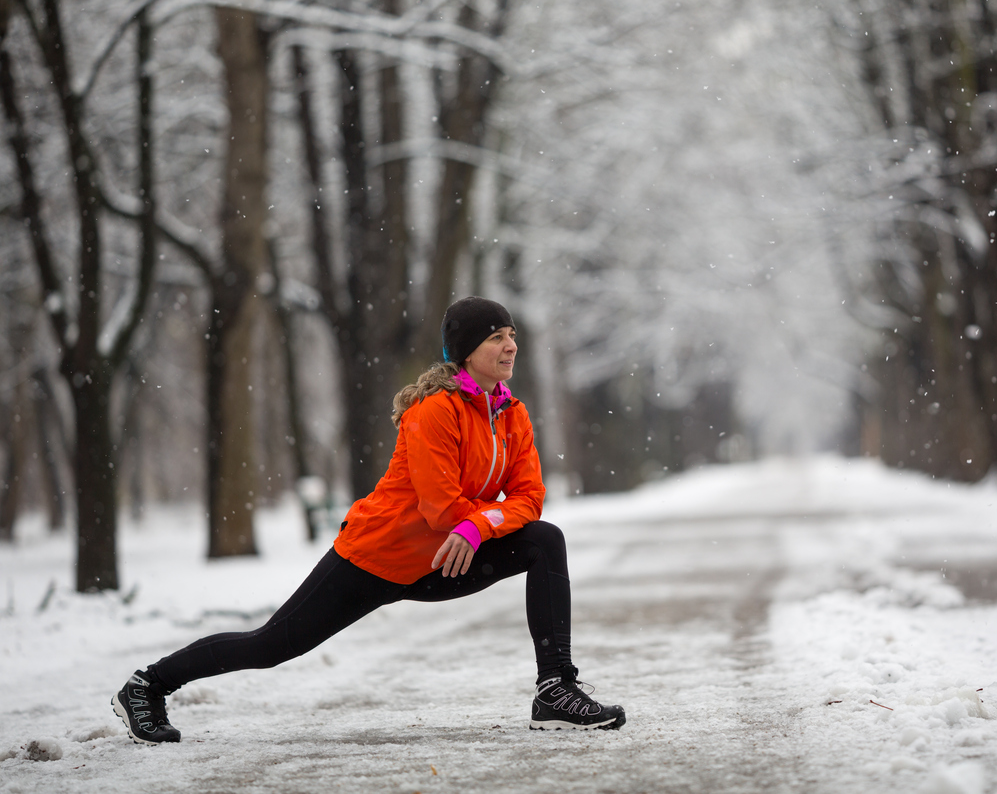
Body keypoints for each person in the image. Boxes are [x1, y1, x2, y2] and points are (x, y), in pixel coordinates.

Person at [112, 296, 625, 745]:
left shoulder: (511, 413)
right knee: (272, 645)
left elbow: (530, 497)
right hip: (376, 558)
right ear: (467, 351)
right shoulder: (435, 411)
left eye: (512, 336)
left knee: (544, 539)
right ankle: (146, 687)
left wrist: (478, 525)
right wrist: (476, 521)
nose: (511, 346)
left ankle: (555, 688)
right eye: (497, 337)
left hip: (446, 558)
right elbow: (441, 508)